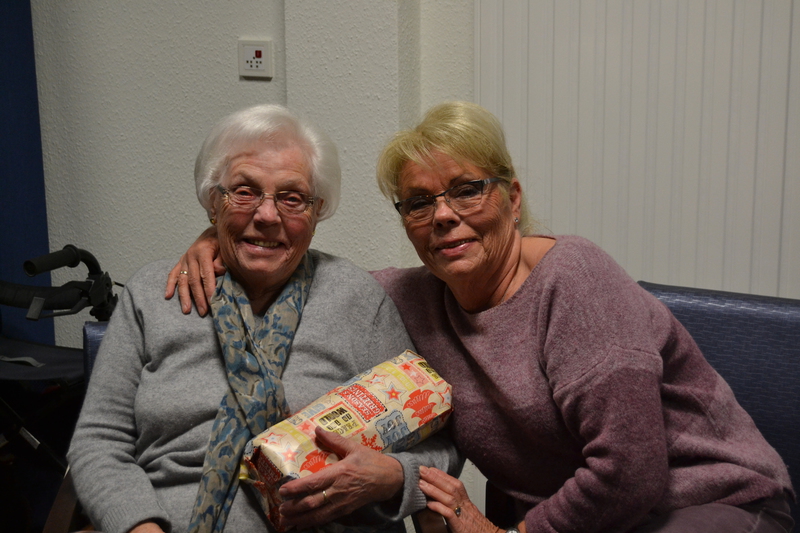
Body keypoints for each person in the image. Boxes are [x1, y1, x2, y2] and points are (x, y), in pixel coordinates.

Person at [167, 101, 794, 533]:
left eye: (467, 189)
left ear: (512, 198)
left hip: (704, 504)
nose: (443, 215)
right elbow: (302, 271)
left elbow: (629, 473)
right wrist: (219, 238)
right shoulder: (411, 298)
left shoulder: (576, 281)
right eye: (418, 202)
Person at [68, 104, 460, 533]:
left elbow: (438, 440)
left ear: (316, 212)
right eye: (245, 191)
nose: (267, 215)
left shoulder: (358, 299)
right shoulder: (153, 293)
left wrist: (394, 476)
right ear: (213, 202)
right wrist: (139, 527)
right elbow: (98, 442)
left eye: (292, 198)